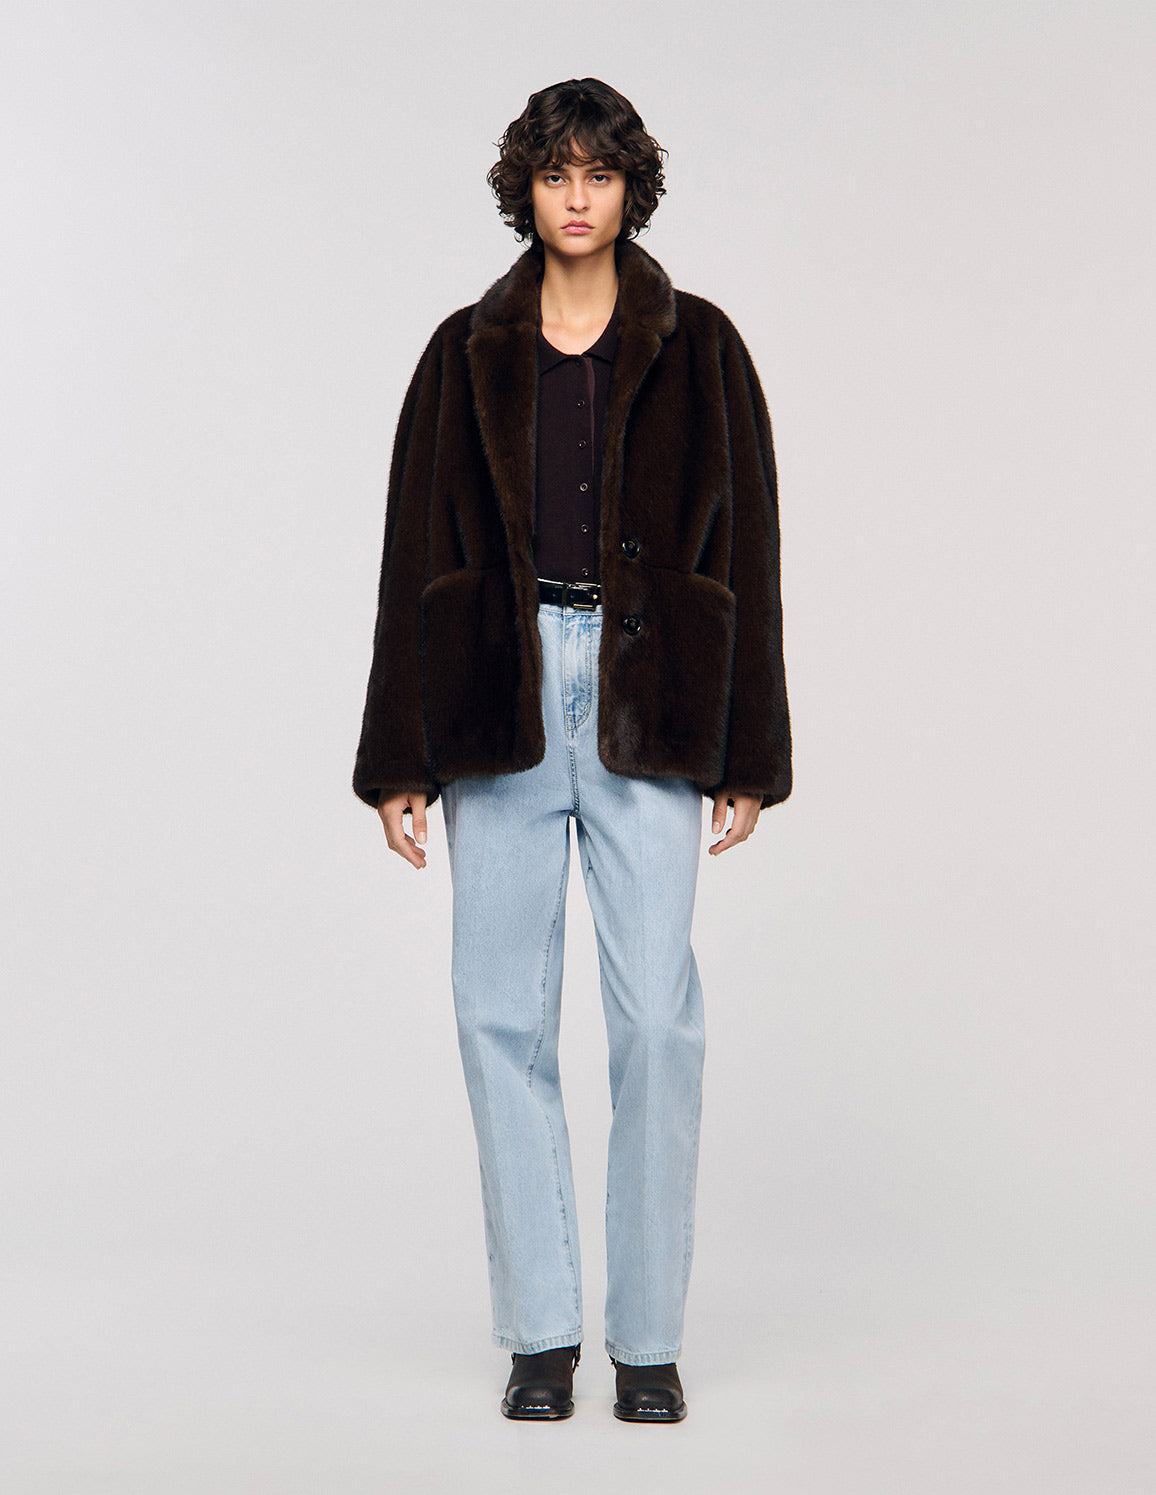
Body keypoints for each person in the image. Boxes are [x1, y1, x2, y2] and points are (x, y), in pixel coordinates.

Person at [352, 77, 791, 1422]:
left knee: (657, 1020)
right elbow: (412, 553)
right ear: (527, 189)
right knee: (499, 1014)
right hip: (500, 688)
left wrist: (749, 751)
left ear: (631, 187)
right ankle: (541, 1338)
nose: (580, 196)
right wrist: (400, 755)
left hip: (654, 694)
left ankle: (647, 1342)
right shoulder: (462, 352)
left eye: (601, 172)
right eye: (558, 173)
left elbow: (751, 550)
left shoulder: (703, 348)